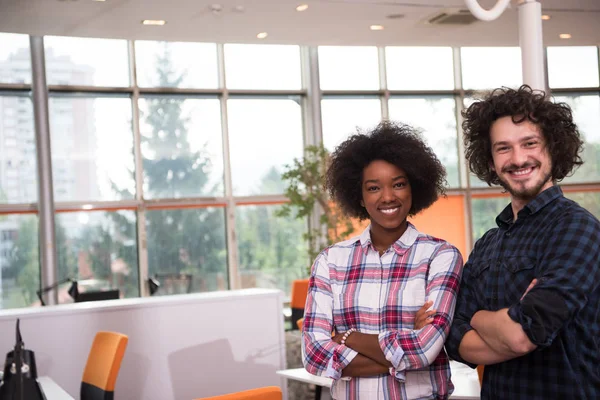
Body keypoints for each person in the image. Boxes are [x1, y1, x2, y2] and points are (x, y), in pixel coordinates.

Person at [445, 85, 600, 399]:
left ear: (552, 149)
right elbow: (454, 339)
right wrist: (505, 323)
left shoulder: (578, 229)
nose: (517, 158)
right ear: (490, 161)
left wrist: (478, 317)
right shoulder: (488, 243)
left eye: (529, 143)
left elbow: (521, 336)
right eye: (503, 148)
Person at [302, 121, 464, 399]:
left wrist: (346, 337)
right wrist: (404, 341)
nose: (388, 196)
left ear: (413, 188)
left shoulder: (441, 256)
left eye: (398, 184)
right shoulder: (331, 261)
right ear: (360, 197)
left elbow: (424, 350)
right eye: (374, 188)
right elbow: (314, 355)